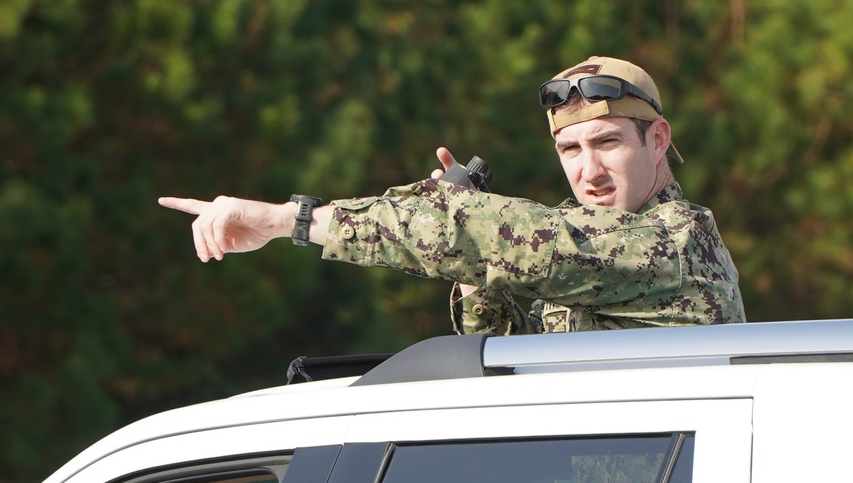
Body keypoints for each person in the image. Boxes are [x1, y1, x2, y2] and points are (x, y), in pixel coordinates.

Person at [159, 56, 745, 334]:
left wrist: (289, 219)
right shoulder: (593, 242)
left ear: (658, 139)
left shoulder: (675, 243)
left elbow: (490, 235)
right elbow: (512, 353)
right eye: (571, 150)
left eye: (608, 142)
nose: (588, 170)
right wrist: (471, 269)